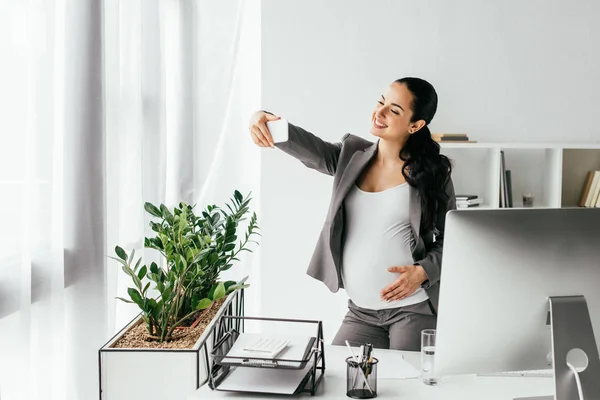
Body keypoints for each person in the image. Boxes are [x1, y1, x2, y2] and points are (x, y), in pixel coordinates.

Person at [248, 77, 456, 351]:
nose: (379, 113)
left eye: (394, 110)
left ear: (415, 125)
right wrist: (262, 118)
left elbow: (454, 239)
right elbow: (309, 148)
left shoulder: (433, 174)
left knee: (407, 388)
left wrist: (423, 272)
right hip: (361, 311)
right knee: (336, 380)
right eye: (381, 102)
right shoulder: (350, 156)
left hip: (412, 308)